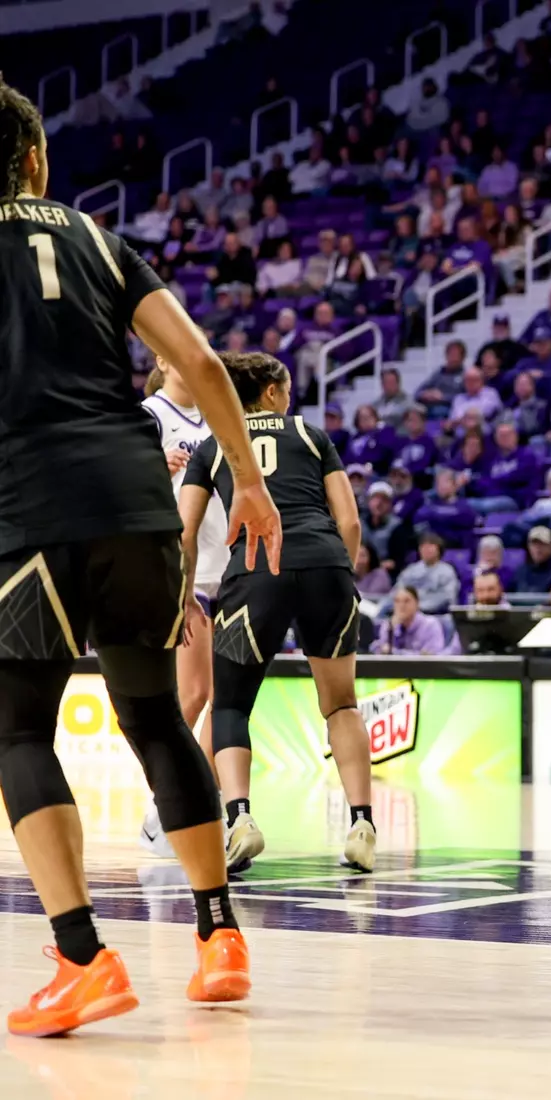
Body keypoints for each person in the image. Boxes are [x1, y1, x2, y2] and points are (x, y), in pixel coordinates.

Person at [0, 84, 279, 1034]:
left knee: (19, 730)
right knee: (157, 716)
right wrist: (247, 479)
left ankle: (83, 958)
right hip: (135, 503)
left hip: (28, 506)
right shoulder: (98, 240)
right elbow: (201, 366)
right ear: (36, 159)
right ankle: (218, 938)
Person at [179, 353, 375, 875]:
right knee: (341, 705)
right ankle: (361, 825)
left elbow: (184, 532)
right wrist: (341, 572)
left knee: (231, 708)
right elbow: (349, 519)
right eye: (285, 388)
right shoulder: (312, 436)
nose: (289, 398)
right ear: (270, 392)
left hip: (255, 571)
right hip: (324, 565)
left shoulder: (214, 446)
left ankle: (241, 820)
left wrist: (181, 594)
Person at [134, 359, 233, 858]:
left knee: (226, 701)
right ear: (162, 360)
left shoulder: (218, 417)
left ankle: (198, 802)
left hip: (229, 570)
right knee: (192, 697)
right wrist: (154, 465)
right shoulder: (150, 414)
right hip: (179, 572)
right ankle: (161, 810)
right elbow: (119, 485)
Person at [373, 586, 452, 654]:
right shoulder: (389, 625)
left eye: (407, 601)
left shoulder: (430, 625)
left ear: (417, 603)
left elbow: (430, 658)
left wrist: (396, 652)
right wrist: (391, 631)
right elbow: (381, 651)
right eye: (397, 601)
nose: (401, 606)